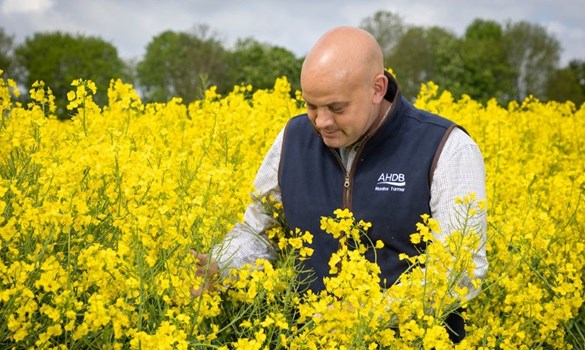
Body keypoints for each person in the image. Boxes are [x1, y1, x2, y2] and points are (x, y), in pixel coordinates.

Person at [192, 26, 488, 343]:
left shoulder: (446, 147)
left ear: (377, 88)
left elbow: (462, 268)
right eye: (310, 106)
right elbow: (261, 229)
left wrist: (366, 316)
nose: (321, 122)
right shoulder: (292, 140)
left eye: (336, 108)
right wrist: (222, 265)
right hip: (309, 339)